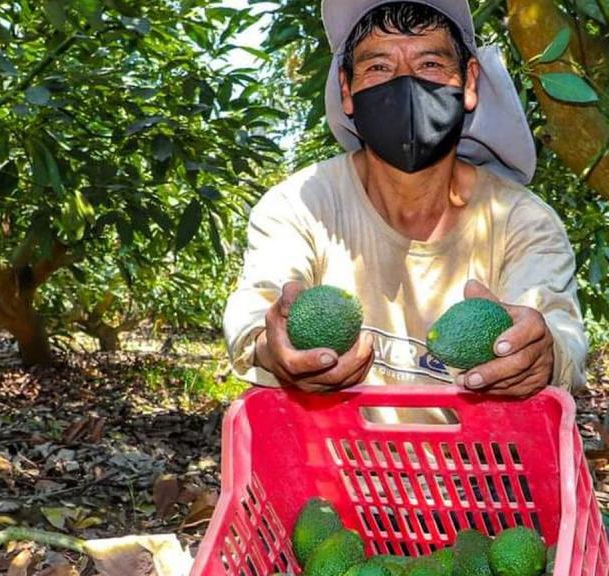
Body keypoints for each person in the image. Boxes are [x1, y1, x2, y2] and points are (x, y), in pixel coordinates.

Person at [223, 0, 587, 399]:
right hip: (331, 457)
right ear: (347, 89)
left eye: (430, 65)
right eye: (378, 67)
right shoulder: (301, 206)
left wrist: (539, 354)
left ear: (468, 83)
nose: (405, 83)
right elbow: (259, 312)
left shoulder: (523, 221)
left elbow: (558, 339)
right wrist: (273, 347)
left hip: (480, 460)